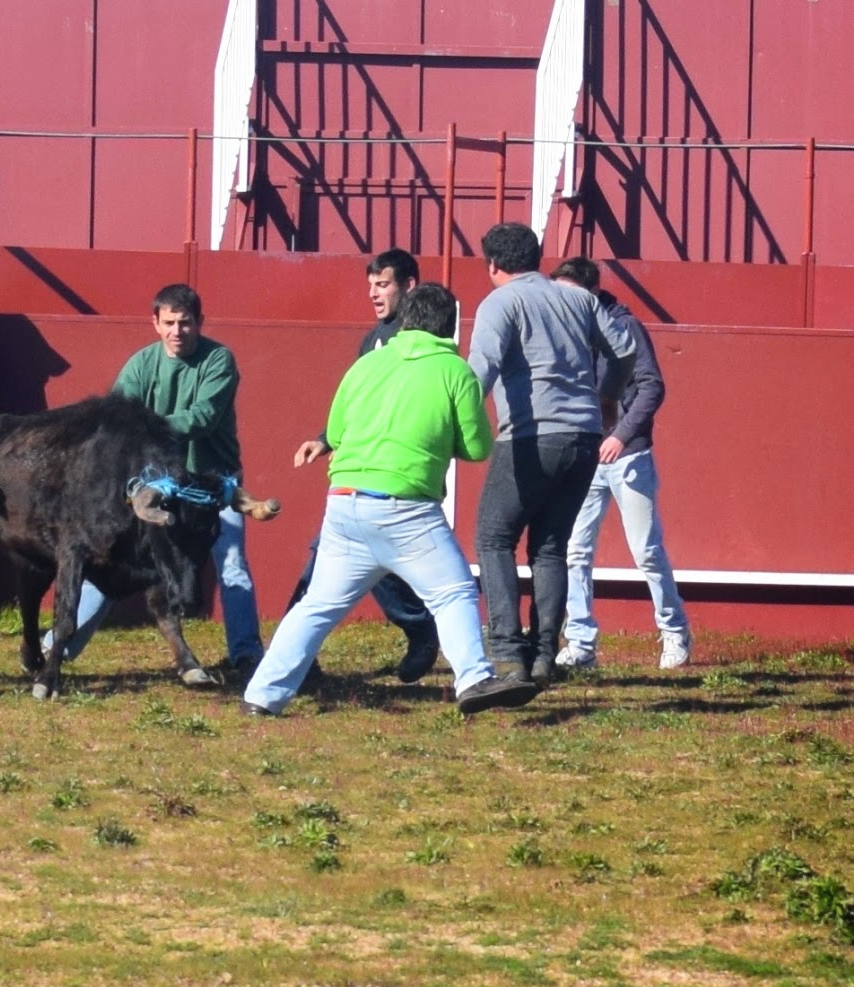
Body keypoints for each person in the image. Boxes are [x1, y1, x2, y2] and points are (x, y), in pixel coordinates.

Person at [243, 284, 539, 717]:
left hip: (344, 502)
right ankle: (474, 679)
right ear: (451, 327)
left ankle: (261, 696)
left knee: (317, 607)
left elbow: (337, 434)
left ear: (405, 320)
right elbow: (477, 448)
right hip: (407, 509)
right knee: (453, 592)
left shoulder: (366, 364)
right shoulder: (455, 371)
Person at [45, 283, 263, 677]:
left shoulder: (219, 360)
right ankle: (55, 647)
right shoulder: (142, 364)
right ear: (156, 323)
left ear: (200, 322)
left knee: (231, 565)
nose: (177, 331)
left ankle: (246, 654)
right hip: (156, 486)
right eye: (169, 323)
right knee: (113, 562)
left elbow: (201, 418)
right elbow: (114, 418)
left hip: (211, 484)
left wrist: (142, 426)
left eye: (185, 322)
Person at [467, 223, 637, 684]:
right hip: (583, 438)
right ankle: (544, 653)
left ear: (492, 265)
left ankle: (508, 654)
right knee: (549, 547)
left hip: (530, 436)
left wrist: (452, 426)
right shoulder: (578, 299)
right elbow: (625, 351)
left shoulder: (500, 302)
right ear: (537, 260)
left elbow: (480, 370)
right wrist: (608, 397)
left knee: (494, 539)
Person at [288, 249, 441, 683]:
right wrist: (325, 439)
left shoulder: (424, 339)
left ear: (409, 286)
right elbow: (356, 401)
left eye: (383, 284)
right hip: (358, 477)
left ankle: (421, 628)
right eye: (371, 285)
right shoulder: (372, 339)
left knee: (383, 566)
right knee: (327, 565)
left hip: (400, 479)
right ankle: (298, 662)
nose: (374, 294)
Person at [550, 257, 691, 670]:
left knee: (646, 550)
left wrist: (620, 435)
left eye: (570, 294)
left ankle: (675, 631)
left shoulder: (624, 327)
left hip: (627, 455)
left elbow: (651, 386)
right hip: (584, 456)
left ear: (592, 293)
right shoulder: (564, 331)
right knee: (575, 550)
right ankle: (580, 643)